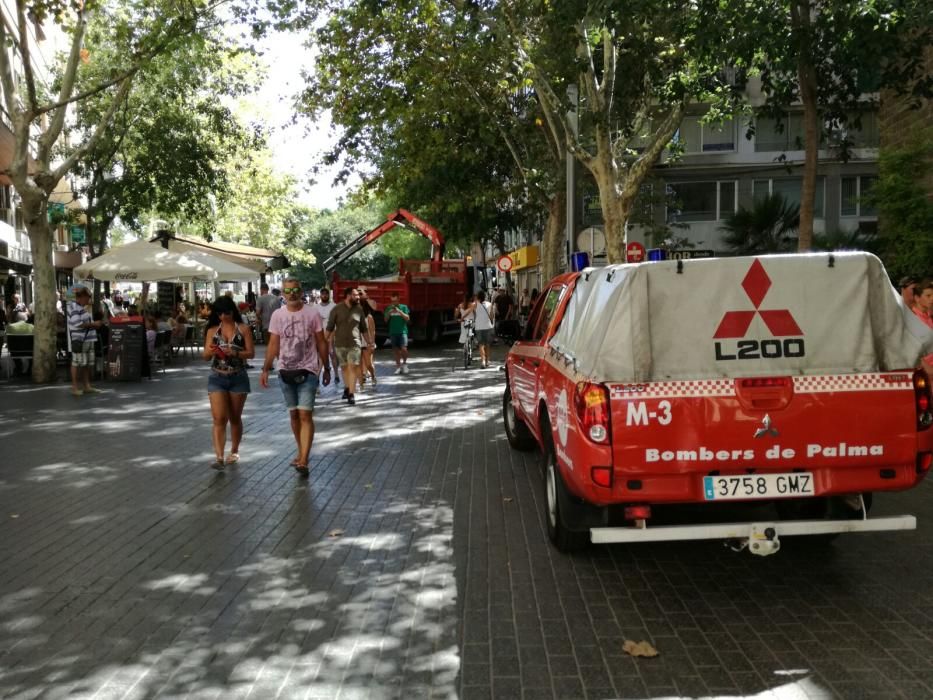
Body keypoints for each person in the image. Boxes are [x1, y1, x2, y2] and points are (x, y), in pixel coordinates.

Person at [261, 278, 331, 474]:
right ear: (282, 293)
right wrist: (266, 368)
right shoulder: (277, 315)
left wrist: (326, 367)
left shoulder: (312, 313)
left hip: (308, 371)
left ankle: (304, 460)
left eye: (296, 290)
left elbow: (321, 342)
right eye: (288, 290)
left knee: (305, 415)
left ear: (301, 292)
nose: (292, 293)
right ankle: (300, 452)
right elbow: (273, 344)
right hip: (285, 372)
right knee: (294, 415)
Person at [202, 295, 255, 470]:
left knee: (234, 418)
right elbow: (205, 356)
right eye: (219, 313)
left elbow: (251, 353)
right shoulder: (212, 331)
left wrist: (236, 353)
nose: (223, 316)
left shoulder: (243, 329)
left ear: (232, 311)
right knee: (219, 418)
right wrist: (211, 351)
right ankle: (218, 457)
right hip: (217, 377)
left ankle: (234, 450)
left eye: (226, 312)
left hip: (237, 376)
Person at [326, 287, 368, 405]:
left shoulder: (359, 309)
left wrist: (369, 342)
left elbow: (364, 328)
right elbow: (330, 327)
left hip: (355, 343)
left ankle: (351, 393)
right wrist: (324, 341)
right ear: (348, 296)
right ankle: (347, 387)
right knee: (344, 368)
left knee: (352, 367)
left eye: (358, 295)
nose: (358, 297)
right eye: (355, 295)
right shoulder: (337, 309)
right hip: (340, 343)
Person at [67, 287, 104, 395]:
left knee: (85, 363)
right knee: (77, 362)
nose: (89, 300)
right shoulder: (74, 307)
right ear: (81, 297)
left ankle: (86, 386)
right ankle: (75, 387)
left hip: (87, 339)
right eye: (88, 297)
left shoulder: (82, 308)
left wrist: (94, 325)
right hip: (80, 340)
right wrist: (94, 324)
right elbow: (78, 323)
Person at [315, 287, 339, 385]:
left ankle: (336, 375)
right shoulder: (316, 307)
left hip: (331, 334)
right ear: (320, 295)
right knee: (321, 356)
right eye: (323, 294)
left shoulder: (334, 306)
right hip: (320, 334)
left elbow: (336, 321)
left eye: (326, 294)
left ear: (329, 295)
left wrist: (332, 337)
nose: (324, 295)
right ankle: (317, 376)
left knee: (332, 354)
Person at [383, 291, 411, 375]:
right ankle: (398, 367)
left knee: (404, 349)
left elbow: (407, 319)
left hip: (403, 331)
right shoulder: (389, 308)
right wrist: (389, 313)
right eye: (392, 301)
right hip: (393, 332)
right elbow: (385, 320)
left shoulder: (404, 307)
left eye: (395, 301)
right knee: (396, 350)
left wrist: (400, 311)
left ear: (399, 299)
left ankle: (405, 364)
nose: (394, 303)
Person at [911, 278, 933, 381]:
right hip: (925, 373)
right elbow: (913, 351)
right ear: (917, 298)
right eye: (928, 296)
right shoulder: (913, 319)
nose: (932, 299)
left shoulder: (928, 316)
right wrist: (928, 369)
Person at [359, 289, 377, 387]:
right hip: (357, 342)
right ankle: (362, 378)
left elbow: (372, 330)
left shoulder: (369, 317)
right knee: (359, 363)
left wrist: (372, 343)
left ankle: (373, 376)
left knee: (368, 363)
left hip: (367, 343)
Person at [7, 311, 34, 376]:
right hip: (29, 351)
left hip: (15, 352)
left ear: (16, 318)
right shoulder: (32, 326)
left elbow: (7, 341)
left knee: (13, 346)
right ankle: (29, 369)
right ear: (26, 318)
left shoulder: (10, 326)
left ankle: (19, 368)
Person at [473, 289, 494, 369]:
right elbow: (491, 316)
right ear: (485, 297)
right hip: (488, 326)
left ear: (478, 297)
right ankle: (488, 360)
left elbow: (474, 315)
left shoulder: (475, 305)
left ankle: (483, 361)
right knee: (487, 344)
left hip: (478, 327)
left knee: (481, 345)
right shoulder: (489, 304)